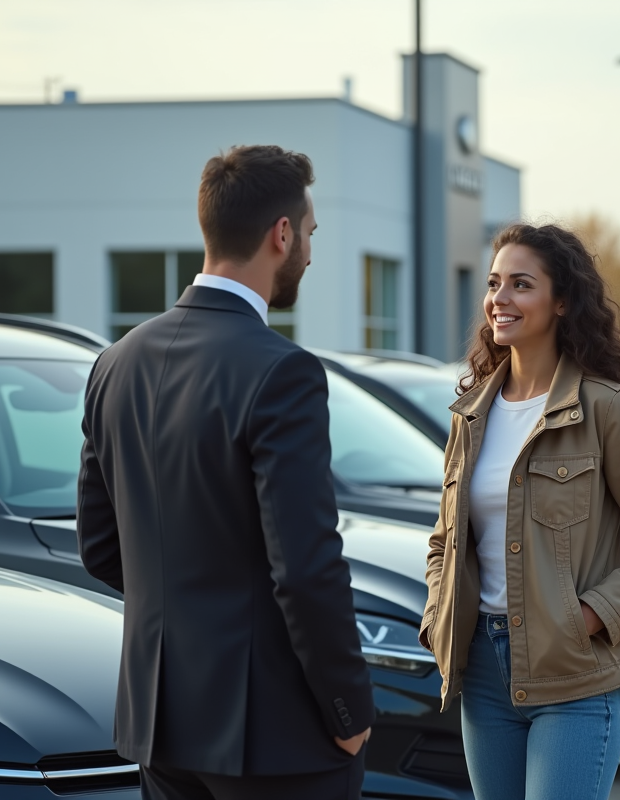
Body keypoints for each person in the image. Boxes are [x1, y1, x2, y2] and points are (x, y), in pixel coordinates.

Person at [78, 145, 373, 800]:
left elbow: (100, 547)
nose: (312, 255)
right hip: (277, 737)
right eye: (312, 235)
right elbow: (305, 567)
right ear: (283, 234)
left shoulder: (114, 363)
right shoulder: (282, 371)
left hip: (161, 724)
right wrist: (350, 711)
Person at [419, 223, 620, 800]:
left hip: (577, 677)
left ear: (562, 300)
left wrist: (592, 616)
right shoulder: (470, 414)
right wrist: (437, 618)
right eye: (495, 283)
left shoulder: (602, 408)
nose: (500, 299)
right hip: (484, 677)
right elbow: (446, 541)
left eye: (521, 284)